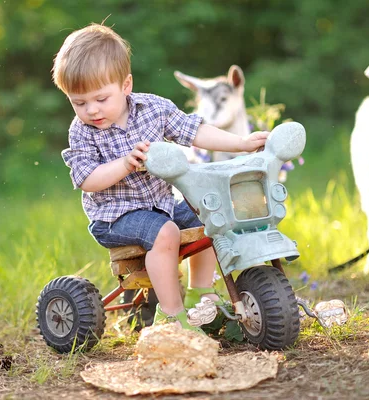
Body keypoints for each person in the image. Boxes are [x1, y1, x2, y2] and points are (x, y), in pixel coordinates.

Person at [53, 23, 269, 333]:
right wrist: (125, 164)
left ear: (125, 85)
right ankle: (171, 315)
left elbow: (194, 131)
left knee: (211, 214)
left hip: (160, 205)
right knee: (166, 232)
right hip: (115, 218)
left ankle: (200, 293)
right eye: (79, 102)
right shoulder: (82, 132)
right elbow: (89, 178)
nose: (91, 110)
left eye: (101, 99)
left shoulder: (153, 109)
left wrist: (242, 143)